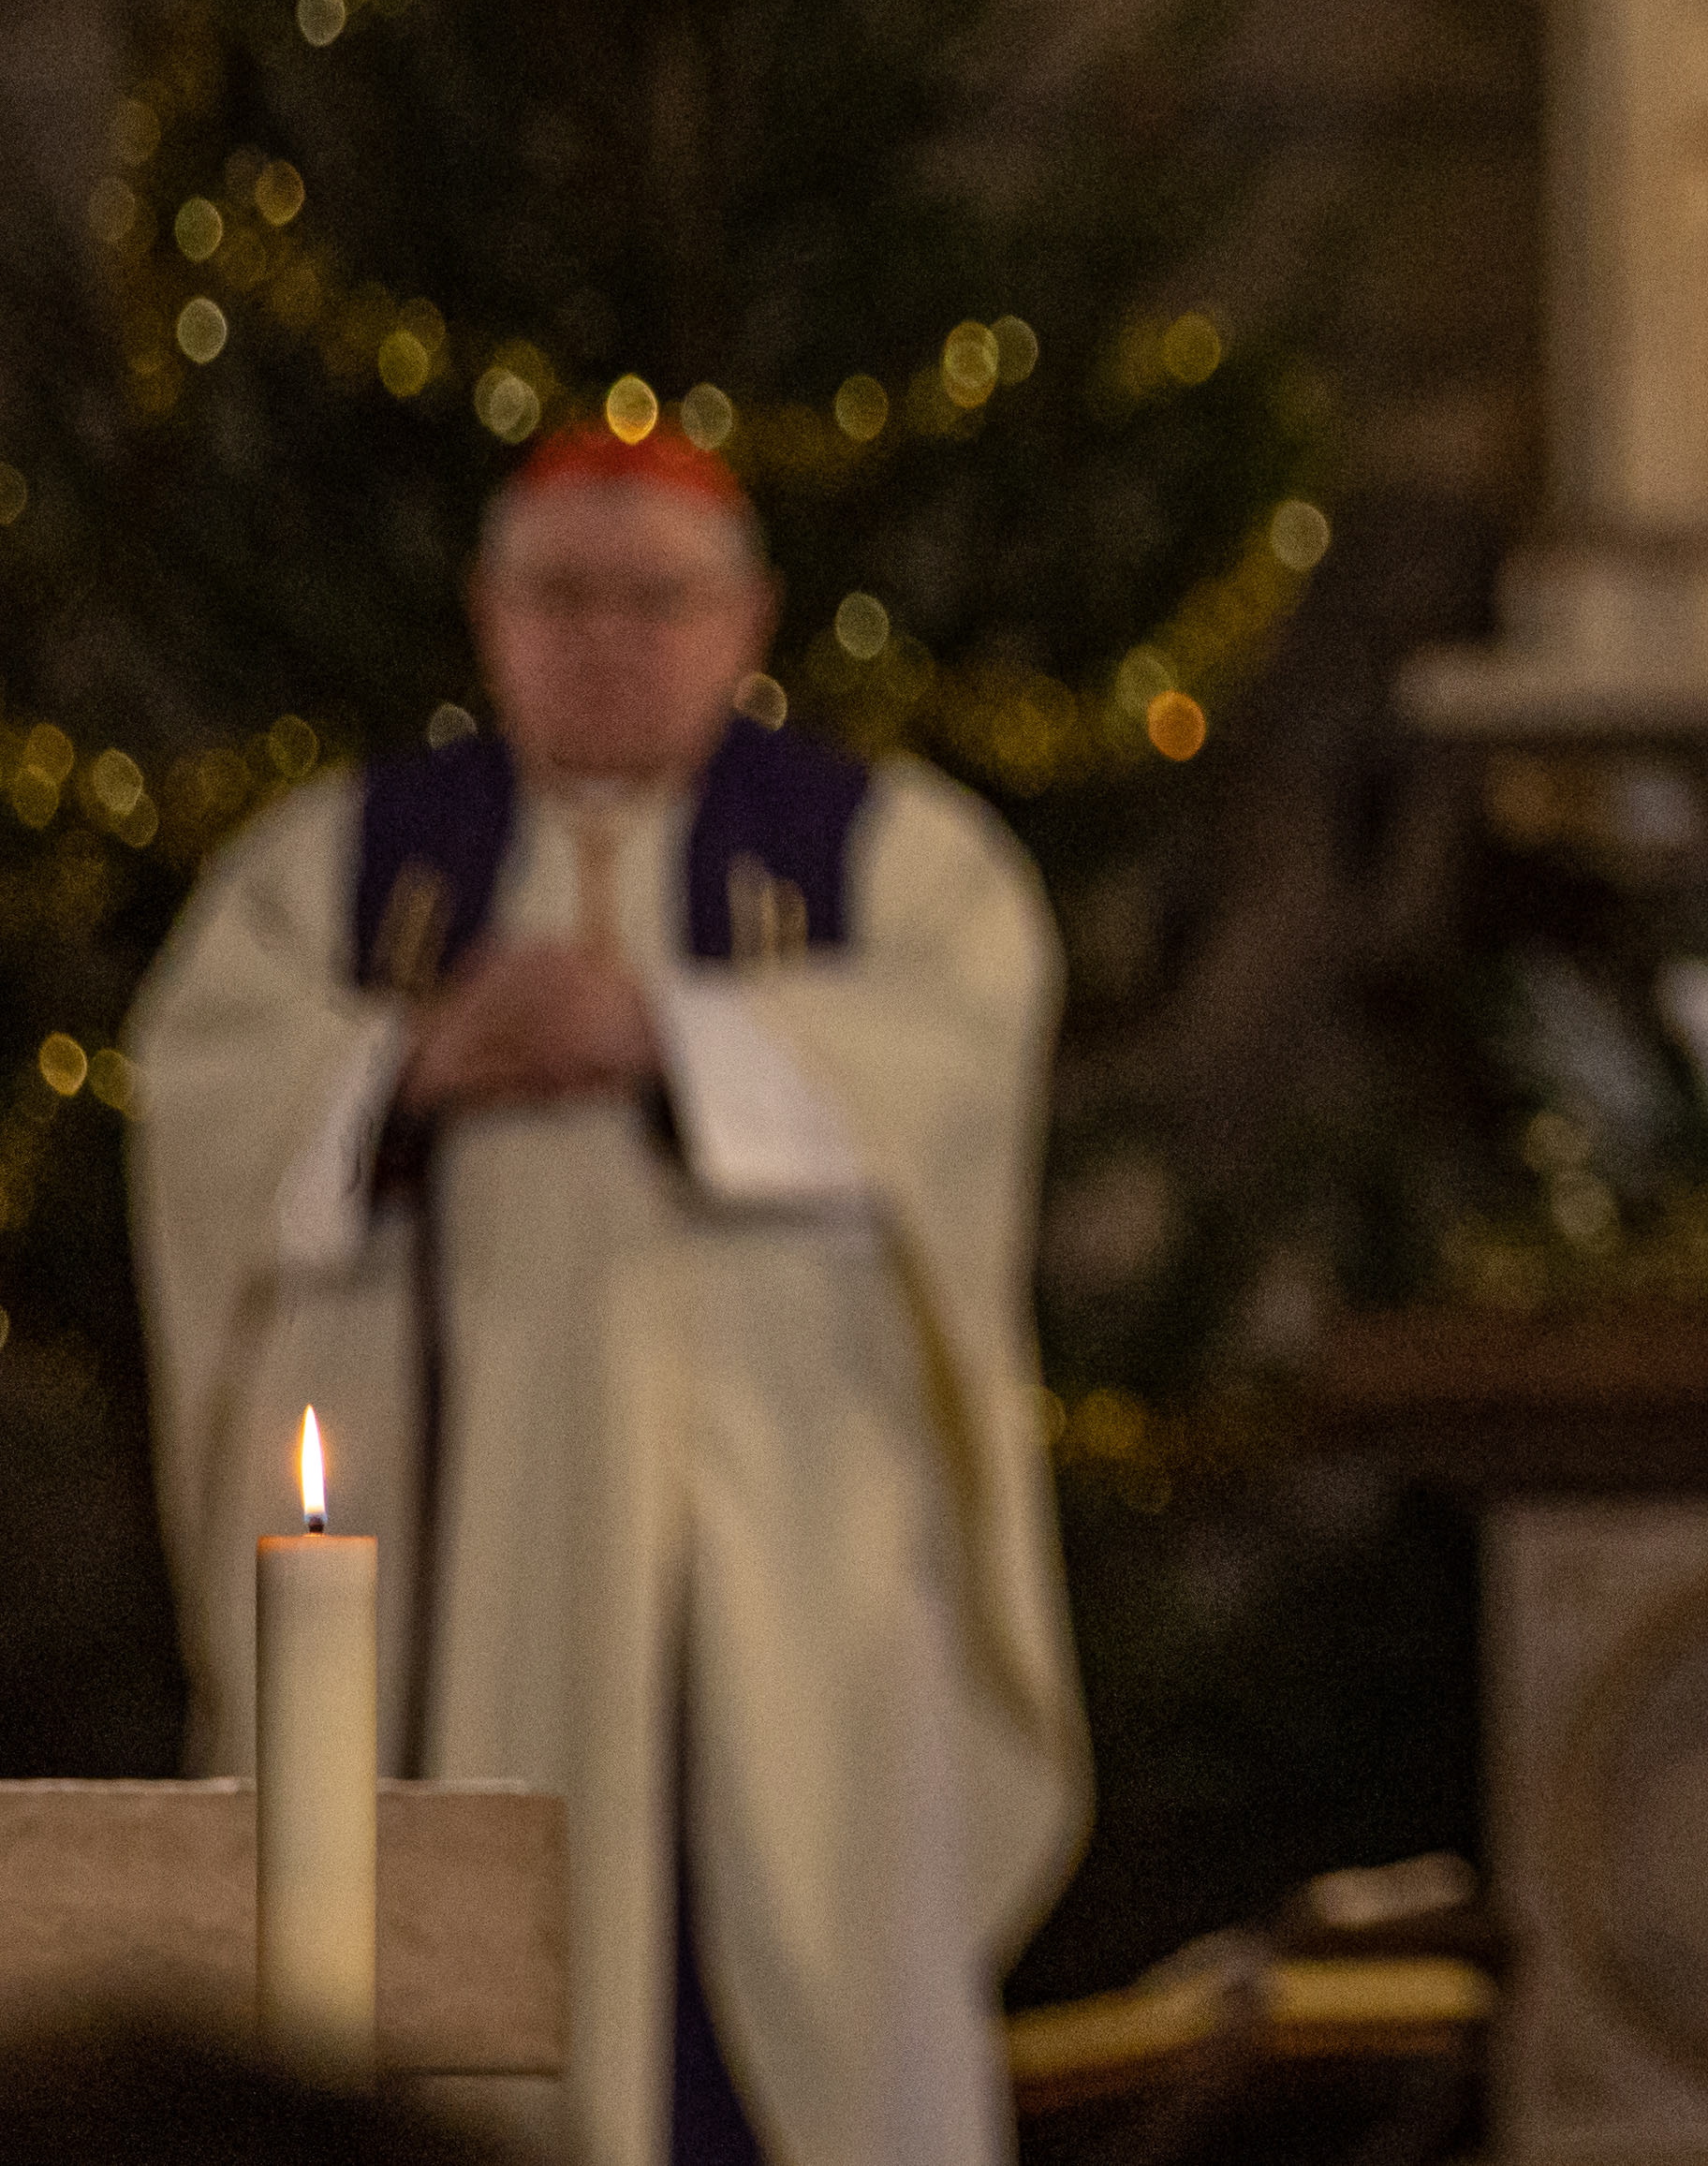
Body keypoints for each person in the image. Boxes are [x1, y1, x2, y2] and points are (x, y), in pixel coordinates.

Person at [128, 429, 1081, 2166]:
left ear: (748, 619)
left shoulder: (892, 856)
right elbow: (202, 1091)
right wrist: (406, 1061)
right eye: (562, 594)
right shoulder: (344, 858)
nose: (609, 637)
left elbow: (960, 1052)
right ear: (489, 614)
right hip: (428, 1571)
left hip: (773, 1600)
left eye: (660, 599)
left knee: (774, 1993)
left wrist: (675, 1034)